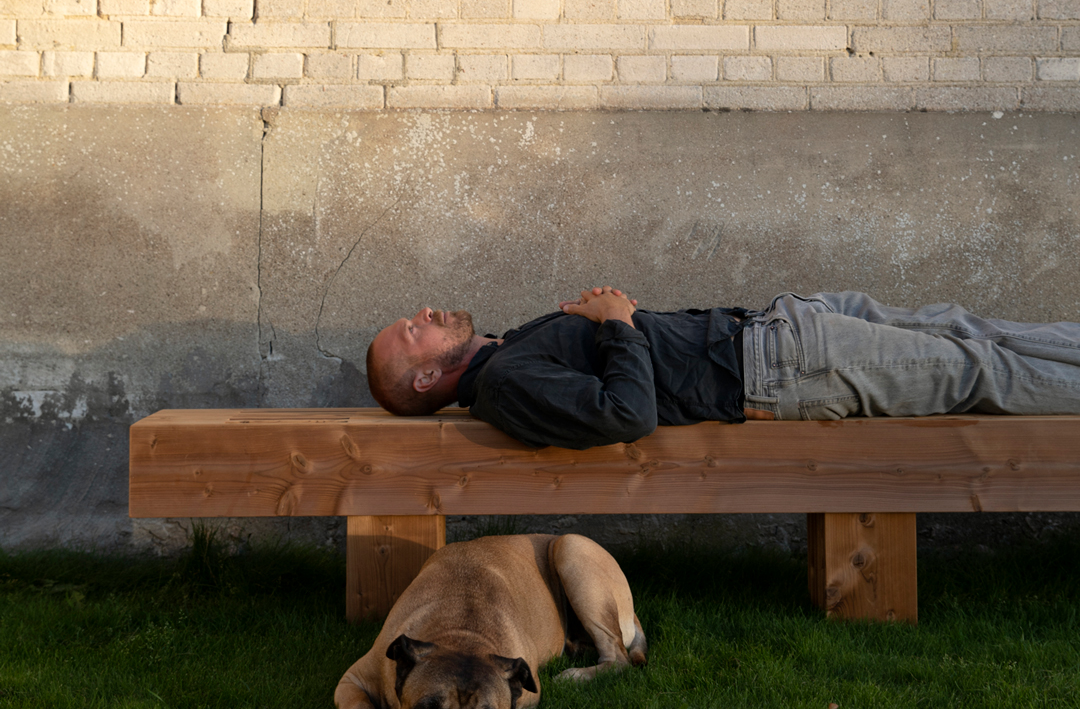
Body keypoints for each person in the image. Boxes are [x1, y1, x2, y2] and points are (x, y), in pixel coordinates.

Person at [364, 286, 1080, 450]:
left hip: (778, 330)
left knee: (966, 329)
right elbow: (627, 414)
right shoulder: (507, 386)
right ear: (427, 379)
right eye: (413, 331)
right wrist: (615, 322)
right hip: (782, 370)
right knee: (977, 370)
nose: (424, 314)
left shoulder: (503, 356)